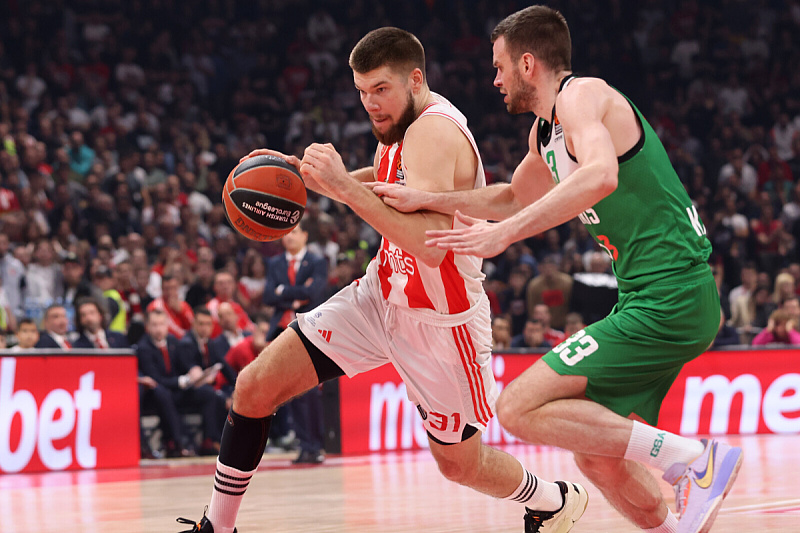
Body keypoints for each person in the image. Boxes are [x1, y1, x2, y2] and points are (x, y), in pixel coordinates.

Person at [178, 27, 585, 533]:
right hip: (380, 296)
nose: (370, 104)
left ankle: (552, 498)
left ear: (415, 80)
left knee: (460, 464)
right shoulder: (400, 127)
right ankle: (217, 526)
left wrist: (346, 187)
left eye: (381, 90)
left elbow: (429, 247)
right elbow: (387, 182)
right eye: (362, 92)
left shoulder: (434, 133)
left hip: (442, 323)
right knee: (254, 387)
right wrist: (313, 180)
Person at [380, 7, 741, 533]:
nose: (495, 78)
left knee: (518, 408)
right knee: (593, 455)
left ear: (528, 63)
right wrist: (426, 197)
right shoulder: (543, 134)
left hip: (674, 293)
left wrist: (507, 233)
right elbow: (506, 197)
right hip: (649, 297)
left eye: (500, 66)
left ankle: (692, 458)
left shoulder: (582, 96)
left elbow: (600, 175)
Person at [137, 309, 226, 457]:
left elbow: (184, 363)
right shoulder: (144, 347)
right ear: (147, 327)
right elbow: (155, 378)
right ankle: (177, 442)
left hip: (177, 390)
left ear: (167, 325)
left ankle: (209, 440)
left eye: (161, 324)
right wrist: (181, 381)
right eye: (154, 325)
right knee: (163, 394)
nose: (159, 329)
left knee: (208, 393)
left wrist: (194, 371)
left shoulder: (173, 341)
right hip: (157, 395)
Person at [262, 221, 328, 341]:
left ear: (305, 235)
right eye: (285, 233)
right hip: (279, 326)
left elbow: (312, 293)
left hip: (310, 324)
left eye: (294, 232)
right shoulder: (274, 263)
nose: (289, 236)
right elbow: (268, 297)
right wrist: (292, 303)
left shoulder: (317, 262)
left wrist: (282, 290)